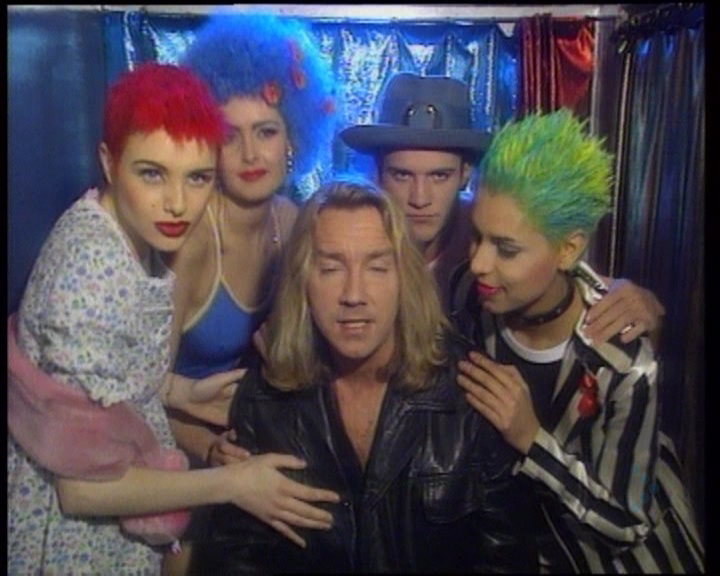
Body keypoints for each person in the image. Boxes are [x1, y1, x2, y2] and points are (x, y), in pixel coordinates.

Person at [7, 62, 339, 575]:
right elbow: (81, 490)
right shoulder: (92, 269)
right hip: (75, 536)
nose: (178, 203)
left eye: (196, 177)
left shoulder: (128, 231)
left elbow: (107, 385)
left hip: (131, 508)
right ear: (109, 162)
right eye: (152, 173)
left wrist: (178, 391)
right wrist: (234, 483)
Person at [189, 178, 538, 573]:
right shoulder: (266, 393)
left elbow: (506, 559)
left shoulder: (469, 391)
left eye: (376, 267)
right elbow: (237, 558)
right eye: (331, 268)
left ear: (403, 278)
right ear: (303, 281)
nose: (354, 295)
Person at [450, 109, 704, 572]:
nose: (480, 263)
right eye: (476, 237)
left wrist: (532, 440)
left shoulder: (623, 360)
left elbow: (628, 524)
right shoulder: (471, 299)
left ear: (568, 249)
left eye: (506, 248)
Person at [339, 72, 665, 343]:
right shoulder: (352, 238)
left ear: (465, 174)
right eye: (402, 175)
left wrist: (640, 302)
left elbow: (569, 276)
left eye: (440, 176)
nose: (420, 198)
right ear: (378, 174)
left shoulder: (489, 226)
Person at [165, 11, 337, 469]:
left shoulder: (293, 221)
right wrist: (207, 450)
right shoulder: (192, 241)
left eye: (266, 132)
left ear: (293, 139)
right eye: (230, 136)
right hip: (176, 447)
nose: (250, 154)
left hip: (253, 435)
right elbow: (137, 390)